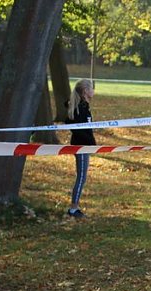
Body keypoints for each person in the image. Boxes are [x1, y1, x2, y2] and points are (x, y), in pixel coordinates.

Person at [65, 79, 95, 218]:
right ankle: (73, 208)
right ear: (85, 92)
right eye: (91, 88)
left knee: (82, 176)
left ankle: (74, 206)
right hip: (81, 146)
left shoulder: (84, 107)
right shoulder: (80, 109)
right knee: (81, 177)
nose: (93, 91)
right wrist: (89, 142)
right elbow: (75, 127)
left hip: (86, 146)